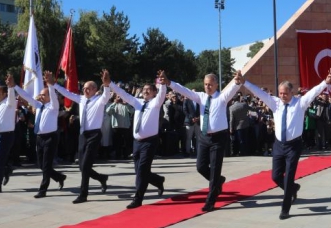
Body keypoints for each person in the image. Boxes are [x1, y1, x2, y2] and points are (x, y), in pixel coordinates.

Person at [241, 69, 331, 219]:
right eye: (280, 93)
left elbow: (314, 92)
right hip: (278, 145)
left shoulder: (300, 103)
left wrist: (325, 82)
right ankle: (293, 189)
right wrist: (245, 82)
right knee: (276, 176)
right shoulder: (275, 103)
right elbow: (259, 93)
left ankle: (285, 209)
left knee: (289, 176)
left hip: (294, 146)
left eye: (285, 93)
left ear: (291, 92)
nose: (282, 96)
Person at [161, 71, 243, 212]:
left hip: (218, 138)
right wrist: (169, 83)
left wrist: (237, 82)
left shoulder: (222, 97)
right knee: (200, 167)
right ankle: (218, 181)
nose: (207, 87)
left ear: (216, 85)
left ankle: (210, 200)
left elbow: (233, 88)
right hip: (204, 137)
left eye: (210, 84)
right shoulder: (201, 97)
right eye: (205, 84)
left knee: (215, 171)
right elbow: (184, 90)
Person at [109, 72, 167, 209]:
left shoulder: (156, 103)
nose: (145, 91)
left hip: (150, 142)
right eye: (144, 89)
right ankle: (158, 180)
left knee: (142, 170)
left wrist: (163, 83)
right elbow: (123, 94)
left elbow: (162, 93)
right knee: (140, 170)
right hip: (137, 142)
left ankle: (138, 198)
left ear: (154, 92)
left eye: (149, 89)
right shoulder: (137, 102)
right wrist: (110, 84)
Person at [54, 70, 112, 204]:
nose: (85, 90)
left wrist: (107, 85)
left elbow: (106, 95)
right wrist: (54, 84)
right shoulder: (81, 99)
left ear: (94, 89)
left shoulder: (99, 100)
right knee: (81, 166)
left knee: (85, 165)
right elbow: (66, 93)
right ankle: (101, 178)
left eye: (88, 88)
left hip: (94, 134)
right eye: (84, 88)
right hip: (83, 135)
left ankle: (83, 193)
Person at [12, 71, 67, 198]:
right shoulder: (38, 106)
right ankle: (59, 177)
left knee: (46, 165)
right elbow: (26, 96)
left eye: (43, 95)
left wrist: (50, 84)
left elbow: (53, 95)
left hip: (50, 138)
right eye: (40, 95)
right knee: (42, 165)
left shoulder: (53, 106)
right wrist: (15, 86)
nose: (40, 97)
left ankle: (43, 190)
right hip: (39, 138)